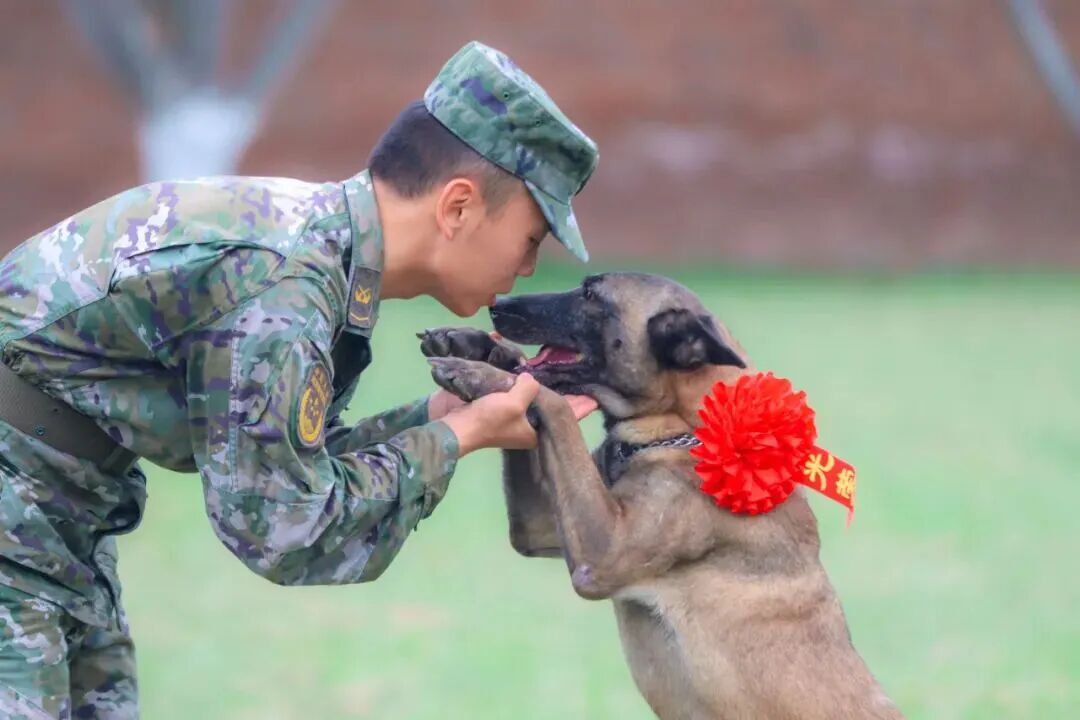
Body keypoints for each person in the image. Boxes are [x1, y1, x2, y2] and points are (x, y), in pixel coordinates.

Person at [0, 41, 598, 718]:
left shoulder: (320, 256)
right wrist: (461, 435)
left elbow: (294, 466)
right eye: (532, 237)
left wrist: (437, 418)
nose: (527, 268)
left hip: (52, 521)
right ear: (458, 207)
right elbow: (285, 529)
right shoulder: (285, 286)